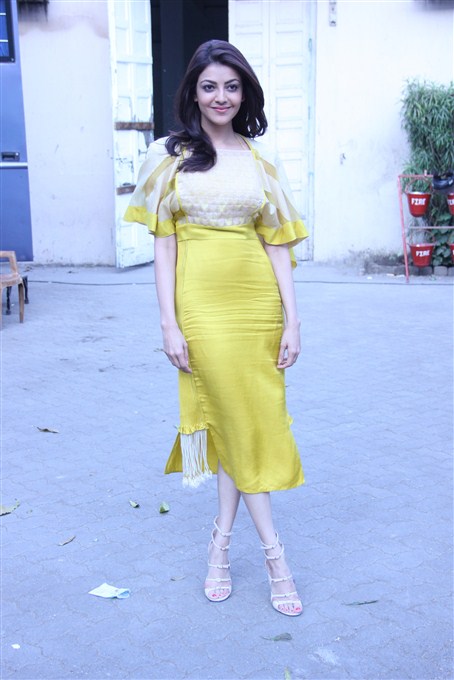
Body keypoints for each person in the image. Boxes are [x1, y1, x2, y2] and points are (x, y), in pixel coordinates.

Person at [125, 40, 308, 617]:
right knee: (236, 421)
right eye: (210, 87)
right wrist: (168, 323)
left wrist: (293, 321)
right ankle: (276, 557)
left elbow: (277, 246)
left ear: (244, 93)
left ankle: (220, 546)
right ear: (194, 93)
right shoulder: (169, 157)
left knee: (241, 423)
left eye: (231, 86)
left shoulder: (259, 160)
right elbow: (163, 246)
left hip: (257, 308)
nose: (221, 97)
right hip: (201, 308)